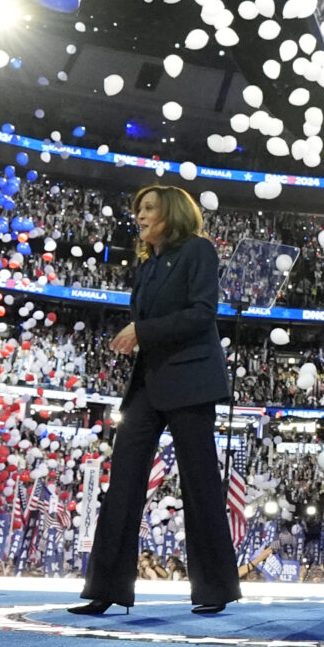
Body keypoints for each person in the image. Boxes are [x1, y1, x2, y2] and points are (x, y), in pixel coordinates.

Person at [73, 183, 241, 617]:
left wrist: (142, 332)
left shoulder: (198, 251)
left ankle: (214, 589)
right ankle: (106, 588)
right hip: (148, 384)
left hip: (191, 382)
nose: (140, 215)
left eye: (148, 208)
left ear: (172, 212)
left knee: (200, 484)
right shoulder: (147, 264)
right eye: (138, 208)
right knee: (124, 481)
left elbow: (203, 312)